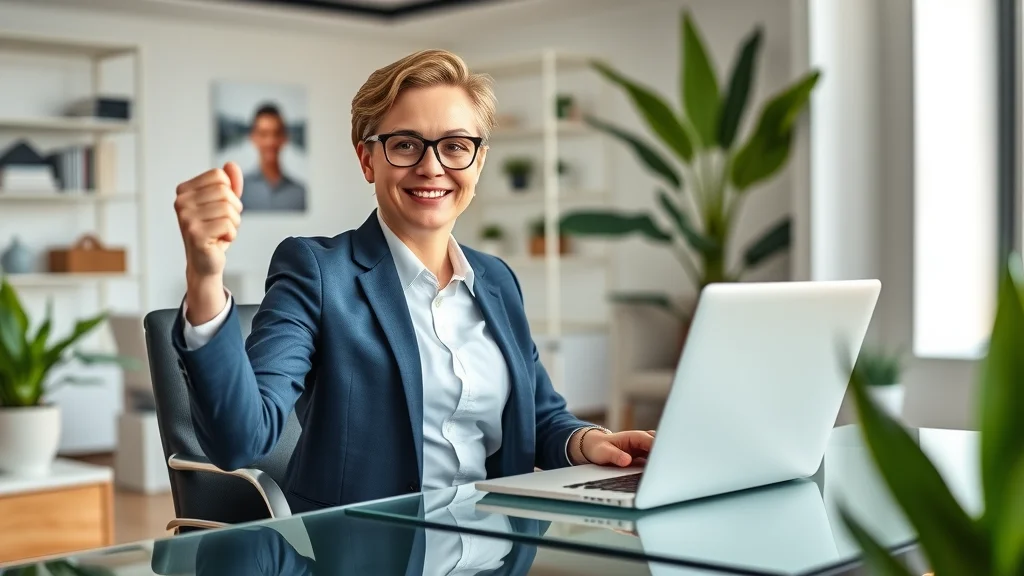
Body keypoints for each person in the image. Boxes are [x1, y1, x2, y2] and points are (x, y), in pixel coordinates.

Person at [170, 48, 655, 514]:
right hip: (367, 553)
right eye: (405, 144)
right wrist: (205, 277)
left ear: (478, 162)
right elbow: (239, 440)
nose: (432, 166)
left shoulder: (497, 280)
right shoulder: (316, 271)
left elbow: (540, 417)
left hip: (499, 548)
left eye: (455, 145)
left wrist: (590, 442)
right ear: (367, 159)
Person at [240, 103, 306, 212]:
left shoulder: (301, 194)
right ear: (253, 138)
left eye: (276, 133)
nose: (270, 141)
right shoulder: (240, 191)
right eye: (263, 134)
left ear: (285, 138)